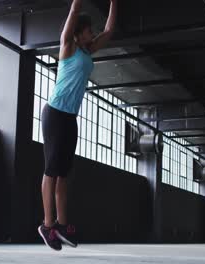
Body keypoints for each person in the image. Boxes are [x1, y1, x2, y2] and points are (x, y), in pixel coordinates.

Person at [37, 0, 118, 251]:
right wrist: (77, 4)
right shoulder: (67, 47)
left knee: (65, 174)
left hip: (70, 117)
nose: (92, 33)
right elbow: (73, 11)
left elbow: (109, 31)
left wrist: (115, 3)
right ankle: (47, 225)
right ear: (78, 32)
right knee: (51, 170)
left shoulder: (87, 51)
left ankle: (62, 225)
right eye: (88, 30)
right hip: (55, 114)